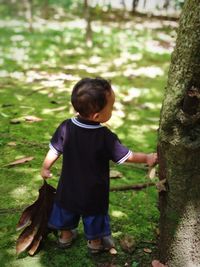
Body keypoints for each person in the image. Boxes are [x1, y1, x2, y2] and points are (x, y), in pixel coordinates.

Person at [41, 77, 157, 254]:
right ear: (97, 116)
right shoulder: (105, 137)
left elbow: (54, 151)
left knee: (66, 209)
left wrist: (45, 167)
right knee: (94, 214)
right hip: (94, 191)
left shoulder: (66, 127)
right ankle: (94, 243)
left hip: (69, 187)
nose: (113, 109)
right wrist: (147, 158)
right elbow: (128, 156)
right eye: (111, 107)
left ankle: (65, 237)